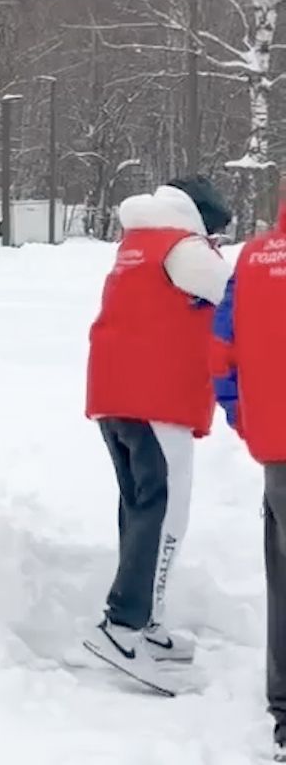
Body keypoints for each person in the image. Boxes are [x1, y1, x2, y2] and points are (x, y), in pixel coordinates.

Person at [83, 176, 231, 687]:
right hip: (157, 397)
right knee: (165, 511)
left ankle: (144, 623)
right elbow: (238, 297)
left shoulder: (138, 244)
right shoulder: (185, 248)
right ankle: (122, 628)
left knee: (140, 507)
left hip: (117, 396)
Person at [212, 197, 286, 758]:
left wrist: (244, 413)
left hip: (276, 442)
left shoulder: (255, 257)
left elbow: (221, 346)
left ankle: (284, 707)